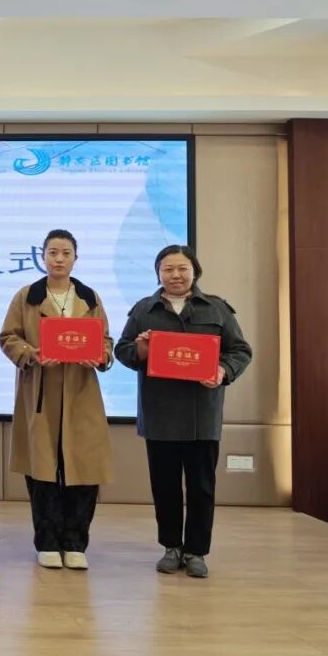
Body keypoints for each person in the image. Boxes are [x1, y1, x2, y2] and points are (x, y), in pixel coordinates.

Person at [114, 244, 252, 578]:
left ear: (195, 272)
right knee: (165, 486)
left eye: (182, 269)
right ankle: (171, 547)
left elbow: (240, 350)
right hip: (160, 413)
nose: (175, 275)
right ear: (158, 273)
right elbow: (123, 351)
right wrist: (142, 349)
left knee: (202, 487)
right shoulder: (144, 310)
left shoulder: (217, 309)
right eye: (168, 269)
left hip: (202, 414)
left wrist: (222, 371)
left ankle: (196, 552)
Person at [0, 229, 114, 570]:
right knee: (42, 471)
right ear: (43, 256)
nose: (59, 259)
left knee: (84, 470)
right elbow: (8, 337)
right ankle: (47, 542)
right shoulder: (27, 297)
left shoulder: (90, 297)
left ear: (76, 258)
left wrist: (101, 356)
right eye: (52, 252)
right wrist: (30, 354)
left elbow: (105, 341)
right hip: (40, 394)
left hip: (81, 394)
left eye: (65, 253)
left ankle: (75, 543)